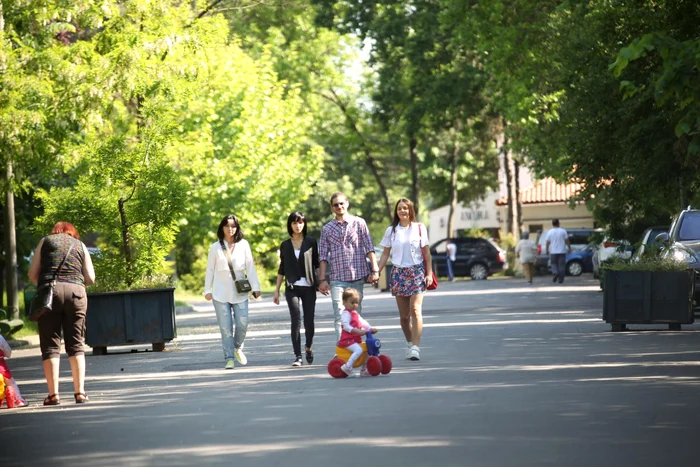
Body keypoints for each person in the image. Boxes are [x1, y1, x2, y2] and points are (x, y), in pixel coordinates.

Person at [28, 221, 96, 405]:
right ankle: (80, 393)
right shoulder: (80, 245)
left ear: (55, 231)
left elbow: (33, 274)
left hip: (51, 293)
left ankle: (53, 395)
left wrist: (48, 285)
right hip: (76, 294)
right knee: (76, 344)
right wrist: (74, 282)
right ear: (73, 232)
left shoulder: (45, 241)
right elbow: (90, 277)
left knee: (50, 345)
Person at [377, 198, 433, 361]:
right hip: (398, 273)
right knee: (404, 316)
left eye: (405, 208)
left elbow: (427, 254)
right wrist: (377, 271)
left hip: (416, 272)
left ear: (410, 211)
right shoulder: (391, 230)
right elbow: (385, 254)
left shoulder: (420, 228)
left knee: (416, 310)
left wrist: (428, 274)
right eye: (400, 208)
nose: (402, 211)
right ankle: (410, 343)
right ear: (396, 211)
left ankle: (416, 347)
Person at [318, 192, 379, 341]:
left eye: (341, 203)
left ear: (347, 204)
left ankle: (357, 345)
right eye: (335, 205)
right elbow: (323, 256)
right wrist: (322, 280)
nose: (339, 206)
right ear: (332, 208)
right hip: (337, 278)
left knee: (355, 315)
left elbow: (369, 247)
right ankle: (343, 347)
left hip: (357, 276)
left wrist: (375, 270)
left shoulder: (359, 223)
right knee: (339, 314)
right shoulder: (327, 229)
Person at [204, 215, 261, 370]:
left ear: (237, 228)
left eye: (234, 226)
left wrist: (256, 287)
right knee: (225, 328)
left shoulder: (244, 245)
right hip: (220, 293)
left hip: (239, 292)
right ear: (222, 227)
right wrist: (206, 290)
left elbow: (250, 267)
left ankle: (237, 347)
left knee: (243, 323)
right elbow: (210, 270)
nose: (231, 229)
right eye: (227, 226)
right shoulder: (215, 247)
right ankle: (229, 358)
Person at [273, 211, 320, 367]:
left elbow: (317, 264)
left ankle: (308, 347)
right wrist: (277, 290)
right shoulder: (285, 245)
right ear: (290, 225)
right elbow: (282, 267)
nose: (298, 225)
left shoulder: (311, 242)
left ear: (304, 224)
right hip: (292, 287)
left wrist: (321, 282)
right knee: (296, 320)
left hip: (309, 287)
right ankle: (298, 356)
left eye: (300, 222)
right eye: (294, 222)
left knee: (309, 321)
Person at [337, 288, 377, 377]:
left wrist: (370, 328)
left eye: (356, 303)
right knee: (359, 350)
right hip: (347, 340)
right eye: (352, 302)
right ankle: (347, 366)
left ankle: (364, 370)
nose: (355, 305)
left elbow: (362, 322)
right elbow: (346, 326)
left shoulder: (354, 313)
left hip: (355, 340)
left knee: (366, 349)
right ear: (344, 302)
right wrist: (357, 331)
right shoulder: (346, 314)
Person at [0, 334, 27, 408]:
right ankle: (19, 400)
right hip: (2, 368)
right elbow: (8, 353)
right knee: (11, 383)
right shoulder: (0, 337)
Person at [545, 219, 572, 284]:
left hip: (553, 251)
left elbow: (547, 242)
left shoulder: (550, 232)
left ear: (552, 224)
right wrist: (569, 248)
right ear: (558, 223)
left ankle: (555, 272)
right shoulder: (563, 231)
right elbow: (566, 240)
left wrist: (547, 250)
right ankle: (560, 279)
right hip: (562, 251)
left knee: (553, 264)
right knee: (561, 265)